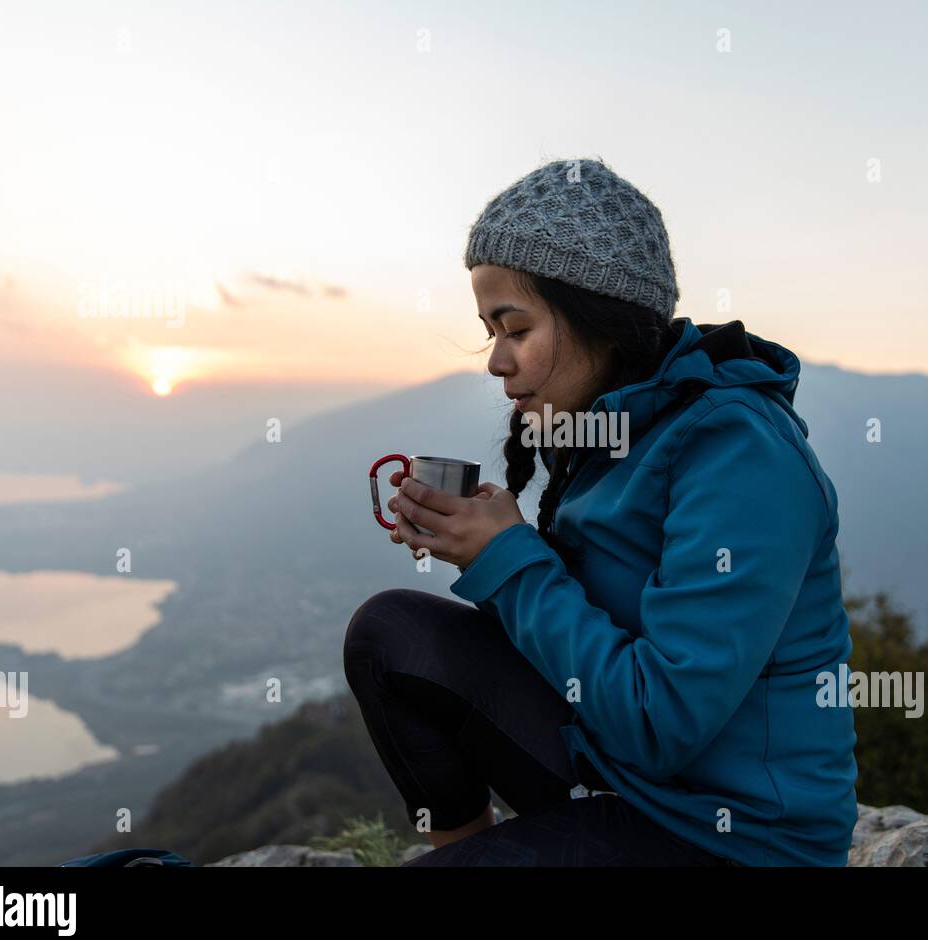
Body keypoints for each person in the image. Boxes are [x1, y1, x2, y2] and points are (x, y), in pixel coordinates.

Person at [343, 156, 858, 866]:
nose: (496, 360)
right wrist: (486, 544)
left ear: (601, 319)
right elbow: (587, 642)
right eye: (490, 330)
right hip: (622, 775)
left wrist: (509, 561)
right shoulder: (611, 429)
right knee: (390, 633)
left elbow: (660, 721)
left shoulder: (739, 454)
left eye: (515, 328)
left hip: (727, 837)